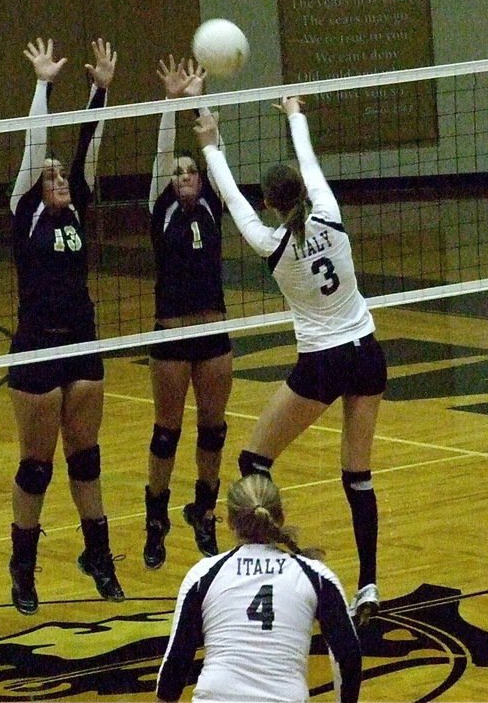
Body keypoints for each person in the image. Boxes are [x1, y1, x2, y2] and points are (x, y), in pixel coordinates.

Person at [195, 98, 387, 625]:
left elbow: (231, 199)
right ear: (302, 193)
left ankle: (276, 562)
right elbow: (311, 165)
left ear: (270, 204)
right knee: (359, 475)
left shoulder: (269, 242)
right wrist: (296, 115)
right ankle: (368, 586)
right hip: (368, 352)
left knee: (254, 463)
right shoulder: (329, 212)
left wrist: (211, 144)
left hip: (324, 362)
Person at [6, 37, 123, 615]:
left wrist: (100, 89)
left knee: (86, 456)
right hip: (35, 348)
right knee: (37, 465)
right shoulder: (24, 209)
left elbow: (88, 145)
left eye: (59, 174)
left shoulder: (75, 201)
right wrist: (43, 86)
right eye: (48, 173)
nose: (55, 175)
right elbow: (37, 146)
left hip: (82, 341)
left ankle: (97, 554)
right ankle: (23, 569)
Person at [156, 473, 362, 703]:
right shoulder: (316, 577)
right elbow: (348, 658)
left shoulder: (203, 575)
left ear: (231, 522)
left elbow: (175, 665)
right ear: (280, 516)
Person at [143, 57, 233, 570]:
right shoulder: (164, 208)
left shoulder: (213, 204)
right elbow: (162, 158)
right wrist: (173, 104)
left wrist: (201, 101)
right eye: (177, 172)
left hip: (214, 331)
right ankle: (155, 519)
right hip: (172, 333)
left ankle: (202, 510)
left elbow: (214, 151)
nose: (184, 176)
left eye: (189, 170)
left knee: (213, 429)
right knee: (166, 432)